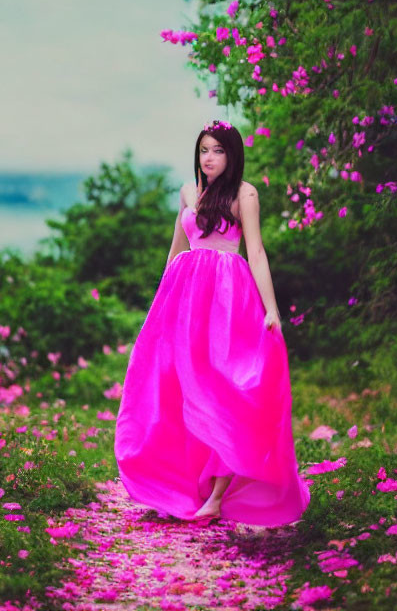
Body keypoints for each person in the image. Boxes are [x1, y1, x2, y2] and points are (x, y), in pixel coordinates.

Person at [114, 120, 311, 526]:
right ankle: (178, 485)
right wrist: (160, 310)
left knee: (222, 390)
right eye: (204, 150)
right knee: (175, 389)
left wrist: (271, 308)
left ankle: (219, 494)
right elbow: (176, 251)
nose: (209, 158)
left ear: (232, 154)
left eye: (218, 150)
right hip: (184, 302)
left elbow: (255, 252)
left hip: (227, 301)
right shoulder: (189, 192)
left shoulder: (245, 194)